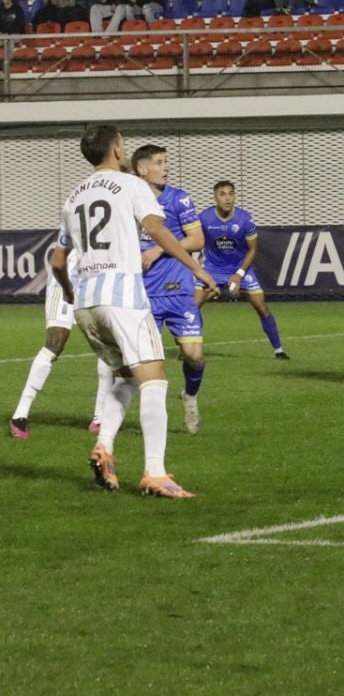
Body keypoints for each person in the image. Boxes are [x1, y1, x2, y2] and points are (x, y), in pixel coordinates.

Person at [51, 124, 216, 497]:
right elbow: (156, 229)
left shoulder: (74, 195)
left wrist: (70, 294)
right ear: (116, 151)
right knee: (154, 381)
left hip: (87, 302)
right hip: (123, 297)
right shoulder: (131, 185)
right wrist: (196, 268)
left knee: (125, 377)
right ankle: (155, 473)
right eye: (122, 145)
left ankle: (105, 447)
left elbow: (58, 261)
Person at [130, 145, 210, 434]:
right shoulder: (129, 199)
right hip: (142, 293)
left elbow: (197, 239)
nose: (166, 167)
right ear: (142, 170)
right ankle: (144, 421)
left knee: (194, 355)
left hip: (178, 290)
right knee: (146, 364)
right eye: (159, 162)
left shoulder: (179, 199)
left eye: (166, 162)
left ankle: (190, 396)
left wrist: (159, 249)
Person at [9, 241, 111, 440]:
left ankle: (99, 418)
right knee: (54, 344)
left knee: (105, 346)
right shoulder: (71, 220)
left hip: (98, 277)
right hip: (68, 275)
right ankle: (20, 415)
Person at [194, 181, 288, 360]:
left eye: (231, 193)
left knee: (261, 306)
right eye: (222, 194)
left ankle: (279, 350)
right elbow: (196, 242)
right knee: (192, 306)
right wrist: (197, 268)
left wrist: (239, 275)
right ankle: (191, 349)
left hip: (240, 269)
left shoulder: (245, 219)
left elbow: (252, 249)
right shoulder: (204, 218)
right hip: (212, 269)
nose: (227, 198)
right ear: (215, 197)